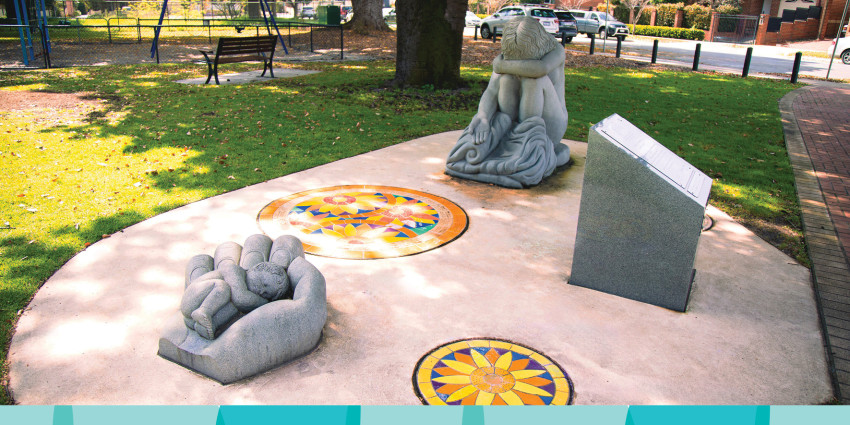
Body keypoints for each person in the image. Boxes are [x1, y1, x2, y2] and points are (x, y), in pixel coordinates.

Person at [446, 16, 570, 188]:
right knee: (506, 80)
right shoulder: (509, 55)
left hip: (549, 124)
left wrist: (500, 65)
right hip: (512, 119)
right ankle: (510, 148)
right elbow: (492, 89)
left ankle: (526, 144)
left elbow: (539, 69)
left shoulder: (556, 50)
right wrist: (482, 116)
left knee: (534, 80)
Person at [180, 261, 289, 340]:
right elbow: (241, 298)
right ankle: (203, 311)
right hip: (192, 300)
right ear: (258, 268)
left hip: (191, 319)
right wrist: (266, 302)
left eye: (265, 294)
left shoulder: (244, 295)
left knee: (233, 308)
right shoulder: (234, 270)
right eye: (263, 283)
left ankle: (205, 325)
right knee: (223, 287)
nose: (260, 291)